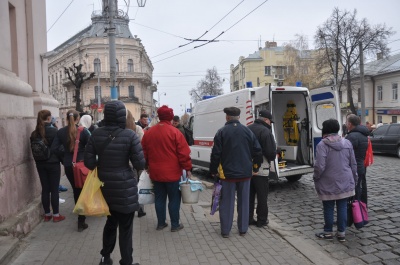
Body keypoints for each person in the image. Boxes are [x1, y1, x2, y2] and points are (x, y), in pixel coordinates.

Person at [84, 101, 145, 265]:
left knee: (110, 223)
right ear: (121, 116)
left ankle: (105, 258)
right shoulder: (130, 135)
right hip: (125, 189)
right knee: (126, 228)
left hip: (104, 187)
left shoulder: (95, 134)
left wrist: (103, 166)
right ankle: (126, 261)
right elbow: (140, 164)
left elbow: (89, 163)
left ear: (106, 114)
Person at [209, 107, 263, 238]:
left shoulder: (221, 132)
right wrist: (255, 167)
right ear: (239, 117)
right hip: (245, 174)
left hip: (227, 174)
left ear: (227, 117)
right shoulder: (247, 131)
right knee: (244, 202)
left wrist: (213, 170)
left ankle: (225, 230)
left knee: (226, 202)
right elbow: (258, 151)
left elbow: (216, 154)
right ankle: (243, 229)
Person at [141, 105, 192, 232]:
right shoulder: (175, 132)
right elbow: (183, 153)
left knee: (159, 198)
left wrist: (146, 166)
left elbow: (144, 152)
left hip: (156, 172)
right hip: (173, 173)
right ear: (170, 117)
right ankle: (175, 224)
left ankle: (161, 223)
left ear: (158, 116)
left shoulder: (149, 132)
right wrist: (188, 168)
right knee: (174, 198)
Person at [314, 119, 358, 242]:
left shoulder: (322, 145)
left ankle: (328, 232)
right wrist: (355, 179)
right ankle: (341, 233)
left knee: (328, 207)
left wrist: (316, 177)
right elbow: (353, 164)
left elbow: (319, 166)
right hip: (345, 180)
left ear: (325, 130)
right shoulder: (347, 143)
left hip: (328, 182)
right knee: (342, 206)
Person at [51, 109, 90, 232]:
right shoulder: (83, 131)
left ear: (67, 119)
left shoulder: (61, 132)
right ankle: (82, 218)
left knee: (75, 190)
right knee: (84, 189)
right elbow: (92, 146)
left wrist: (64, 158)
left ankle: (80, 216)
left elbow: (54, 148)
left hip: (69, 165)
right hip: (82, 165)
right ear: (78, 119)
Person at [30, 110, 64, 222]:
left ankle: (47, 214)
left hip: (40, 164)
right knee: (54, 189)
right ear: (49, 118)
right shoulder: (54, 131)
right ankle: (56, 215)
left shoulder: (34, 133)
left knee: (45, 189)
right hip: (53, 163)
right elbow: (60, 148)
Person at [247, 110, 276, 228]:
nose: (271, 124)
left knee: (249, 195)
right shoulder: (266, 131)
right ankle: (261, 220)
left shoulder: (247, 128)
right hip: (261, 168)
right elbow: (270, 153)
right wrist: (276, 152)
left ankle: (248, 218)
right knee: (262, 196)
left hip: (247, 168)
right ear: (266, 120)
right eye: (270, 122)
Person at [126, 109, 146, 218]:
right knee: (139, 186)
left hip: (126, 164)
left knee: (130, 187)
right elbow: (141, 146)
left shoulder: (120, 130)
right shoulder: (137, 129)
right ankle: (140, 209)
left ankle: (131, 208)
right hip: (137, 161)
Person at [346, 114, 369, 204]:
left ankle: (355, 212)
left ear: (350, 124)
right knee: (361, 188)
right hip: (361, 166)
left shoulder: (352, 136)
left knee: (354, 191)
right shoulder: (363, 135)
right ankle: (362, 208)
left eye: (346, 122)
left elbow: (346, 153)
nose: (346, 124)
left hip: (353, 168)